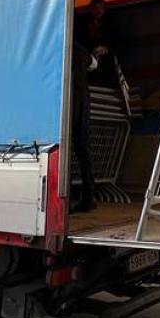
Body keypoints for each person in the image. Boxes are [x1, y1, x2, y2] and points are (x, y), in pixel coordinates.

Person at [70, 42, 96, 213]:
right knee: (82, 150)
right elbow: (94, 64)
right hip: (83, 100)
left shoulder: (57, 44)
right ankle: (88, 197)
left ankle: (65, 199)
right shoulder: (81, 48)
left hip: (68, 99)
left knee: (63, 151)